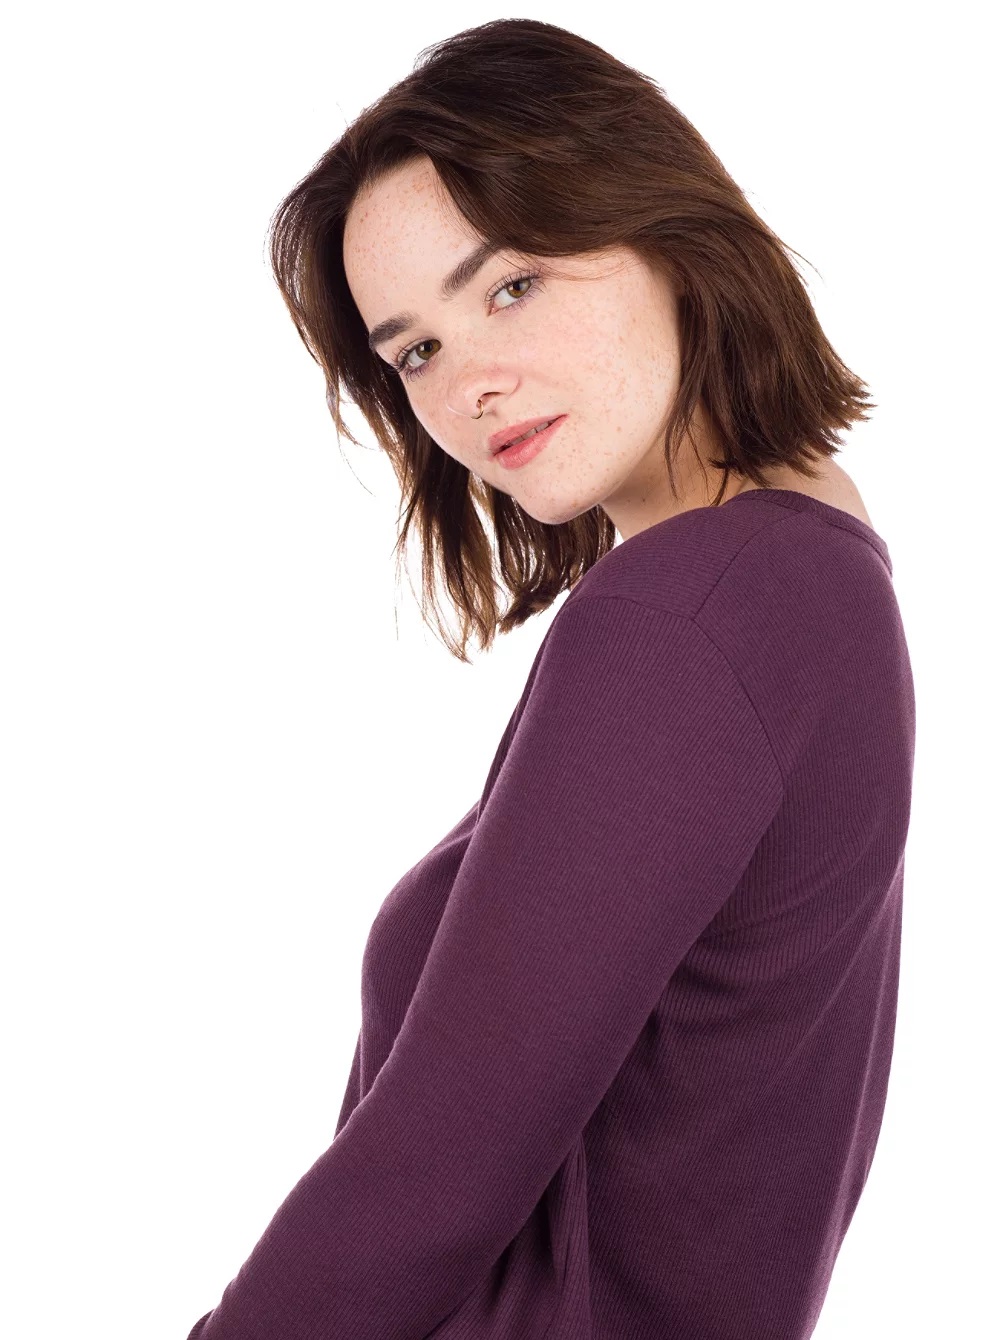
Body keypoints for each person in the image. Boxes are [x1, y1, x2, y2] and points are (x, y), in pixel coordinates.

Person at [185, 18, 915, 1340]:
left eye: (510, 285)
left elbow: (429, 1180)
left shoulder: (691, 609)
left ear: (664, 231)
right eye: (414, 350)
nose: (471, 382)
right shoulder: (807, 561)